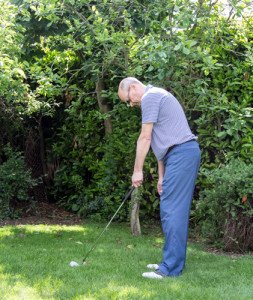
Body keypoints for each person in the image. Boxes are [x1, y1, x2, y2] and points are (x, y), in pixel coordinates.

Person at [118, 77, 201, 279]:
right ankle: (171, 262)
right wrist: (161, 177)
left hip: (182, 154)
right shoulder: (154, 98)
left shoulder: (151, 97)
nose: (130, 104)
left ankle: (169, 269)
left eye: (128, 99)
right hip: (176, 155)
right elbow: (161, 146)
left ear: (133, 87)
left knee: (172, 210)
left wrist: (137, 170)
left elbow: (145, 137)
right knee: (170, 208)